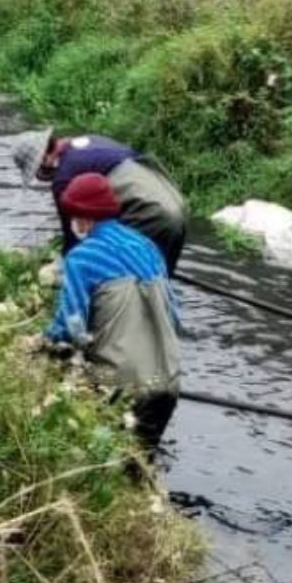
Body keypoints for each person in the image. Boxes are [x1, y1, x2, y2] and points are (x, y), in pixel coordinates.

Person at [45, 173, 182, 451]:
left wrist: (42, 343)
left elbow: (70, 328)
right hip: (169, 381)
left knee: (103, 463)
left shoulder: (83, 257)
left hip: (119, 385)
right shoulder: (149, 247)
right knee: (141, 458)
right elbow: (175, 315)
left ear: (84, 217)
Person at [10, 129, 190, 273]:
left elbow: (75, 238)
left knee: (122, 277)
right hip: (175, 204)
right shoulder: (90, 141)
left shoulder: (63, 178)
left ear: (42, 160)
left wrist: (62, 267)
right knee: (160, 282)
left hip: (148, 211)